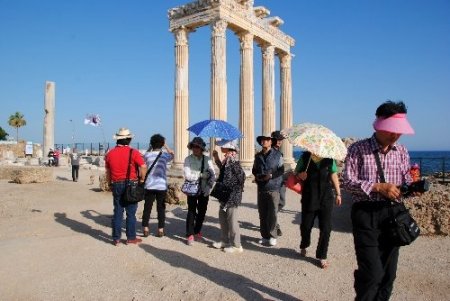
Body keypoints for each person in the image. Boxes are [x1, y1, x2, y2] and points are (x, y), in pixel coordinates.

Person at [342, 101, 416, 300]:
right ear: (379, 126)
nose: (396, 135)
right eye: (392, 131)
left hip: (393, 215)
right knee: (372, 273)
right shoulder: (358, 149)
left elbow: (405, 181)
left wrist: (412, 187)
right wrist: (378, 186)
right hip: (366, 214)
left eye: (399, 131)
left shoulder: (401, 152)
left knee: (388, 274)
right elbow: (348, 182)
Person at [294, 151, 342, 269]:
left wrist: (338, 193)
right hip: (309, 196)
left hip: (326, 197)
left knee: (326, 227)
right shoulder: (305, 157)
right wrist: (300, 175)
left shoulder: (329, 158)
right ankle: (304, 244)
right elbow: (296, 173)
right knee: (306, 225)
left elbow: (333, 174)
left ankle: (322, 255)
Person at [105, 128, 147, 246]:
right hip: (131, 184)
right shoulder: (133, 152)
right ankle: (131, 237)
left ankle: (116, 238)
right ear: (128, 139)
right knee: (131, 213)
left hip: (116, 183)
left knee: (118, 212)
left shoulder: (110, 154)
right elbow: (143, 166)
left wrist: (109, 184)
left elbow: (108, 172)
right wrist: (142, 179)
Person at [211, 139, 246, 253]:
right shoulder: (227, 159)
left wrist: (234, 187)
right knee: (222, 217)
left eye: (222, 145)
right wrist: (216, 158)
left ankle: (237, 245)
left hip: (231, 195)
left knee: (232, 220)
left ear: (228, 147)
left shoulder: (233, 160)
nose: (220, 147)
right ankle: (224, 240)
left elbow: (241, 177)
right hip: (225, 194)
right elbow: (223, 171)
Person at [252, 133, 284, 246]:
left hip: (273, 187)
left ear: (271, 142)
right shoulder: (258, 156)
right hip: (261, 187)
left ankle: (273, 235)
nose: (264, 141)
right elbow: (254, 169)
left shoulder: (278, 155)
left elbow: (281, 170)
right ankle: (265, 236)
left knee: (273, 213)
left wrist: (271, 176)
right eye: (262, 140)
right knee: (262, 213)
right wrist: (256, 176)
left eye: (266, 140)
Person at [183, 137, 216, 246]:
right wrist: (202, 175)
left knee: (202, 212)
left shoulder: (208, 160)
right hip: (192, 189)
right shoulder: (188, 159)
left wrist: (209, 186)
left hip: (204, 189)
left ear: (201, 148)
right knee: (191, 211)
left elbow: (213, 175)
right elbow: (188, 176)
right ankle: (190, 234)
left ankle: (197, 231)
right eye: (193, 146)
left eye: (197, 147)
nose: (195, 149)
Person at [141, 134, 174, 238]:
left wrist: (150, 146)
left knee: (147, 207)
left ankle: (145, 228)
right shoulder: (164, 156)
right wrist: (166, 146)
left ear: (151, 143)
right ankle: (160, 229)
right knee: (161, 208)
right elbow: (172, 154)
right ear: (162, 144)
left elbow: (143, 157)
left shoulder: (147, 155)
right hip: (161, 186)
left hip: (150, 185)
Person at [271, 130, 286, 236]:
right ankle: (275, 226)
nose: (279, 141)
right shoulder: (269, 151)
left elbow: (281, 167)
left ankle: (271, 218)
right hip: (273, 182)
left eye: (281, 139)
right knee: (274, 205)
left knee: (282, 203)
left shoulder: (280, 152)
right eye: (277, 139)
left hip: (281, 181)